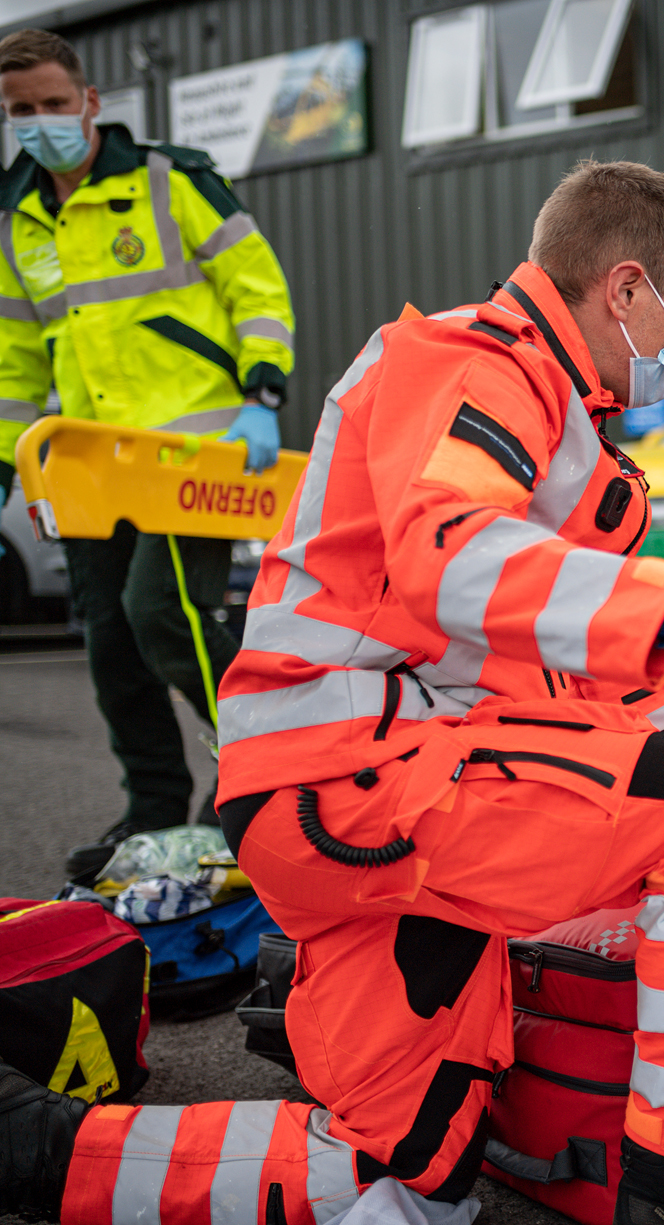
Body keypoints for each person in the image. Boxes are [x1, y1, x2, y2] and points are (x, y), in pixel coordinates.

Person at [0, 160, 664, 1225]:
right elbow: (452, 554)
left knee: (406, 1172)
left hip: (362, 804)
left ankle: (42, 1153)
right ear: (625, 288)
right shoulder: (473, 364)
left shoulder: (563, 425)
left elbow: (571, 670)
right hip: (367, 778)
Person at [0, 30, 297, 880]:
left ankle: (258, 773)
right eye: (22, 110)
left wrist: (262, 394)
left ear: (90, 101)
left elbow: (257, 286)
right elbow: (16, 361)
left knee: (161, 616)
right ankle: (156, 805)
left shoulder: (170, 180)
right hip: (89, 466)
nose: (41, 122)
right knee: (109, 643)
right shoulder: (18, 218)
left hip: (193, 455)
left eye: (55, 103)